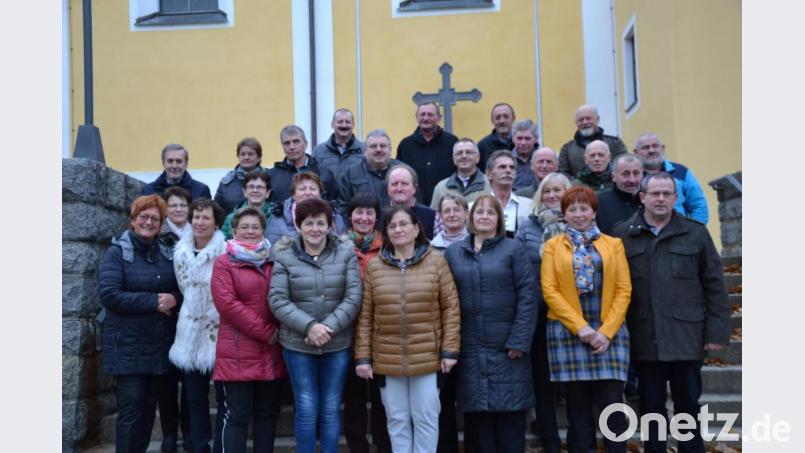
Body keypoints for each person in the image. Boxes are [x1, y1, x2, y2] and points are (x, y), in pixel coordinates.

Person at [614, 172, 729, 453]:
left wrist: (716, 332)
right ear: (643, 198)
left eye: (667, 194)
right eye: (655, 193)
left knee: (688, 405)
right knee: (651, 408)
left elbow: (715, 285)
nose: (661, 199)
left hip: (686, 336)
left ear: (676, 198)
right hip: (644, 337)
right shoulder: (623, 235)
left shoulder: (696, 233)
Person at [354, 206, 461, 453]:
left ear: (416, 229)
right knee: (397, 420)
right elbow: (366, 315)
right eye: (392, 226)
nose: (398, 229)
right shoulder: (375, 267)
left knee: (426, 420)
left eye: (404, 224)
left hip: (428, 357)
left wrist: (449, 350)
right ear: (386, 232)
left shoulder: (436, 261)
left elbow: (451, 308)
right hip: (387, 358)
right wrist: (363, 357)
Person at [541, 186, 632, 452]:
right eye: (572, 209)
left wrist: (605, 332)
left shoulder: (613, 244)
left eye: (584, 208)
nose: (578, 214)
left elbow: (623, 290)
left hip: (609, 333)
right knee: (577, 407)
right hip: (568, 333)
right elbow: (550, 289)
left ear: (594, 211)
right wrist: (582, 329)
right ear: (564, 213)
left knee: (613, 405)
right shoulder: (552, 247)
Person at [445, 195, 537, 453]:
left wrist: (519, 340)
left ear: (499, 218)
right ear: (470, 218)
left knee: (509, 426)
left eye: (490, 212)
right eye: (479, 212)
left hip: (508, 349)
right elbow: (446, 300)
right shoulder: (454, 252)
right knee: (478, 428)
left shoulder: (513, 248)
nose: (484, 216)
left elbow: (528, 295)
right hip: (470, 351)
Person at [269, 198, 363, 453]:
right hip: (298, 345)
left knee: (331, 407)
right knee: (307, 406)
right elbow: (277, 299)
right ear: (298, 226)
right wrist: (310, 327)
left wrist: (327, 328)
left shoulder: (345, 254)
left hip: (337, 343)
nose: (315, 229)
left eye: (321, 223)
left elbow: (354, 296)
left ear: (330, 226)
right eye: (308, 223)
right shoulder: (285, 256)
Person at [98, 195, 183, 453]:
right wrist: (154, 302)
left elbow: (182, 290)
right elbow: (110, 295)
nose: (148, 222)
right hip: (127, 345)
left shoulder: (168, 251)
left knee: (148, 409)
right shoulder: (117, 252)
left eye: (154, 219)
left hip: (160, 344)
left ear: (161, 224)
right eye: (143, 217)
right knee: (132, 409)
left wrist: (175, 299)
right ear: (133, 220)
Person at [211, 207, 287, 453]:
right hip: (237, 352)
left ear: (263, 230)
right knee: (237, 415)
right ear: (234, 231)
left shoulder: (273, 261)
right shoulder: (224, 263)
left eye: (255, 227)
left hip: (271, 351)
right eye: (244, 227)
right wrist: (267, 332)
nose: (250, 231)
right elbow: (228, 305)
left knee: (267, 415)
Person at [514, 172, 572, 453]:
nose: (551, 196)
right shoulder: (528, 226)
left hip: (573, 313)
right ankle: (550, 440)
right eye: (546, 191)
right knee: (543, 379)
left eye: (557, 190)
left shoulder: (581, 223)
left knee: (573, 382)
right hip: (539, 310)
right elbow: (523, 269)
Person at [169, 198, 227, 453]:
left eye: (206, 218)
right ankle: (200, 446)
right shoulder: (180, 252)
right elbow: (183, 288)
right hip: (188, 333)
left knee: (224, 399)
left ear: (216, 223)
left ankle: (222, 446)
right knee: (194, 398)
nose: (200, 222)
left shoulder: (226, 251)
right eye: (196, 217)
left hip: (219, 332)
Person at [340, 193, 392, 453]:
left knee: (383, 398)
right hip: (349, 333)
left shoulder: (388, 246)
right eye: (358, 212)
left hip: (382, 332)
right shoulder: (338, 247)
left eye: (369, 213)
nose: (363, 218)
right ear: (350, 216)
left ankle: (384, 446)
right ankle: (357, 447)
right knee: (354, 398)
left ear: (376, 217)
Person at [157, 186, 192, 452]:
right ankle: (170, 433)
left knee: (191, 383)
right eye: (173, 205)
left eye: (183, 205)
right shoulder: (156, 236)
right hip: (165, 317)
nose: (178, 209)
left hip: (192, 316)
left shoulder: (199, 234)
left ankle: (190, 431)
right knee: (168, 381)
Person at [633, 132, 709, 224]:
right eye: (646, 147)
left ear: (663, 148)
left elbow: (698, 204)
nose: (651, 150)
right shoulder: (632, 177)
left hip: (681, 232)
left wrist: (696, 231)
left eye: (655, 146)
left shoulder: (681, 171)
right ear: (636, 153)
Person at [396, 102, 459, 206]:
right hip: (414, 205)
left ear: (439, 118)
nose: (425, 118)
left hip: (446, 204)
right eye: (422, 114)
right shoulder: (405, 145)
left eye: (430, 114)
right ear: (416, 117)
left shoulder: (452, 142)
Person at [265, 172, 345, 245]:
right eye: (302, 189)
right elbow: (273, 251)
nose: (308, 193)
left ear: (320, 193)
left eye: (313, 189)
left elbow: (342, 247)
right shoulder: (279, 218)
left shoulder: (335, 216)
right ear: (293, 195)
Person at [268, 125, 338, 205]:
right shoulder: (272, 175)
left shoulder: (323, 172)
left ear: (305, 144)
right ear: (283, 147)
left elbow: (333, 203)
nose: (292, 147)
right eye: (287, 143)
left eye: (296, 142)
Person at [337, 129, 401, 214]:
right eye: (373, 146)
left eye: (383, 146)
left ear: (390, 149)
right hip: (363, 225)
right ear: (365, 151)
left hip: (395, 226)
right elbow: (343, 207)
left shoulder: (403, 172)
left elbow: (414, 204)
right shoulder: (351, 173)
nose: (378, 149)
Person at [558, 105, 628, 177]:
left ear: (597, 119)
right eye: (581, 120)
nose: (584, 122)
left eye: (588, 118)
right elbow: (563, 174)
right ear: (576, 123)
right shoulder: (567, 149)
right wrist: (577, 184)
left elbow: (624, 166)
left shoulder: (615, 144)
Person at [475, 150, 532, 237]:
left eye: (512, 167)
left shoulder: (529, 206)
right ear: (489, 174)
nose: (508, 170)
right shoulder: (474, 206)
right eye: (502, 167)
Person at [429, 138, 492, 211]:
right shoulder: (441, 188)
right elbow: (434, 218)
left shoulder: (490, 184)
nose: (464, 156)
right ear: (454, 159)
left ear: (478, 157)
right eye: (459, 153)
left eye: (469, 152)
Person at [214, 137, 267, 214]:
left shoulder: (271, 178)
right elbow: (217, 211)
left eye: (250, 154)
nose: (246, 157)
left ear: (259, 157)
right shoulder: (226, 183)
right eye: (242, 154)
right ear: (238, 156)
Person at [142, 143, 212, 200]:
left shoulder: (201, 190)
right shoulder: (148, 191)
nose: (174, 166)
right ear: (163, 163)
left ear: (186, 163)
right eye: (170, 161)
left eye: (179, 161)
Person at [596, 154, 643, 235]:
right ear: (613, 177)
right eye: (625, 174)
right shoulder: (598, 202)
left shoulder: (650, 201)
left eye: (636, 173)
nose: (632, 180)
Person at [313, 108, 365, 178]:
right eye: (340, 122)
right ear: (332, 125)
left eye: (347, 122)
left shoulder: (364, 150)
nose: (344, 125)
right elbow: (313, 178)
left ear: (353, 125)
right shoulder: (319, 151)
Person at [221, 171, 273, 240]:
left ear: (268, 193)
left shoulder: (277, 217)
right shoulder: (231, 218)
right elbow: (224, 243)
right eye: (251, 187)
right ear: (244, 192)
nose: (255, 190)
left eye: (260, 187)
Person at [477, 102, 515, 169]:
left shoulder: (522, 143)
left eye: (506, 116)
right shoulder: (482, 146)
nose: (502, 121)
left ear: (513, 118)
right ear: (492, 121)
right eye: (498, 117)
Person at [511, 119, 541, 191]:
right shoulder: (506, 160)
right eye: (519, 138)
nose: (523, 143)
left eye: (527, 138)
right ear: (513, 139)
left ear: (536, 139)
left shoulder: (543, 160)